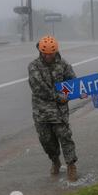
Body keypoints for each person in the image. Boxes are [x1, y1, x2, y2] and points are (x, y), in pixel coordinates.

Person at [28, 35, 79, 182]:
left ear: (55, 51)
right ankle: (55, 160)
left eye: (51, 53)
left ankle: (71, 165)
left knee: (65, 137)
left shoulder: (63, 65)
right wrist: (59, 97)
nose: (48, 56)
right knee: (46, 140)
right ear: (40, 51)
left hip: (59, 111)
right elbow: (39, 89)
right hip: (41, 111)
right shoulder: (33, 66)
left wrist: (78, 91)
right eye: (45, 53)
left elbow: (73, 82)